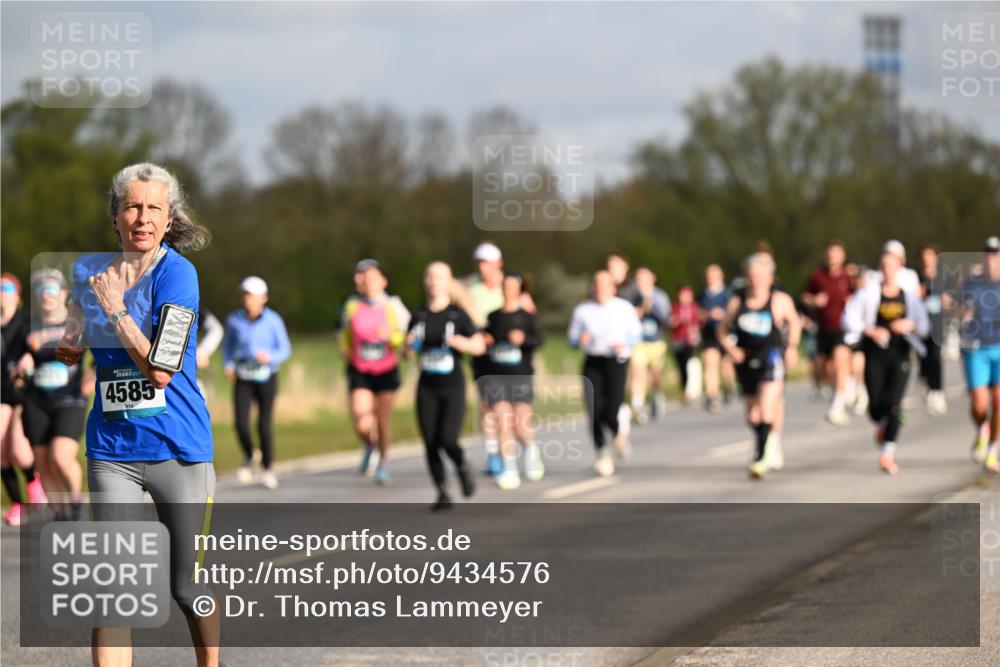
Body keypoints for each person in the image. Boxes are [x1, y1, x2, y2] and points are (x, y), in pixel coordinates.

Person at [55, 162, 219, 666]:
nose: (142, 217)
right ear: (115, 216)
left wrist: (116, 309)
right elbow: (74, 340)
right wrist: (70, 337)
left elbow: (161, 371)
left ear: (169, 220)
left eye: (154, 208)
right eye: (132, 205)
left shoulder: (179, 274)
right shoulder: (89, 271)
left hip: (178, 447)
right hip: (112, 450)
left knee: (186, 586)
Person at [842, 241, 930, 475]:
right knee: (876, 408)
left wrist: (908, 324)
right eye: (884, 265)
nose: (888, 269)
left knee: (894, 405)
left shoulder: (909, 298)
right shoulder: (868, 293)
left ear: (900, 267)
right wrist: (869, 330)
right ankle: (882, 425)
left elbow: (924, 325)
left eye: (892, 265)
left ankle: (887, 454)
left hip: (900, 354)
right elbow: (849, 319)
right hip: (875, 354)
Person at [17, 269, 94, 520]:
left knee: (60, 456)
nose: (46, 295)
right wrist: (21, 361)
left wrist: (92, 373)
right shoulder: (28, 326)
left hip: (70, 399)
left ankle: (74, 500)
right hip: (36, 400)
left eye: (51, 290)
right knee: (41, 460)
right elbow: (13, 357)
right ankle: (58, 512)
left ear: (64, 294)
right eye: (41, 290)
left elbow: (107, 348)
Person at [408, 262, 484, 510]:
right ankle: (442, 491)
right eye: (429, 276)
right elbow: (406, 352)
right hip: (427, 385)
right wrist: (407, 347)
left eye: (439, 276)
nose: (433, 281)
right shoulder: (418, 316)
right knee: (430, 440)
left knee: (448, 439)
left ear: (448, 281)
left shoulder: (457, 315)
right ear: (424, 281)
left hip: (452, 384)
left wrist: (466, 343)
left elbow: (480, 345)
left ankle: (462, 465)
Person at [717, 253, 801, 479]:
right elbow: (722, 330)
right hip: (745, 360)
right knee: (752, 415)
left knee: (766, 408)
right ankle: (766, 442)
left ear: (770, 278)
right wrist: (731, 349)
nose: (755, 281)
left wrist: (792, 347)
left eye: (760, 276)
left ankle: (761, 456)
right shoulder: (738, 301)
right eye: (751, 276)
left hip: (771, 356)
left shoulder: (779, 300)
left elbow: (794, 322)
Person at [339, 259, 410, 485]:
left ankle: (383, 463)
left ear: (383, 281)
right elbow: (344, 332)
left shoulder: (393, 306)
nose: (369, 283)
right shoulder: (351, 305)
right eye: (365, 279)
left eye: (373, 279)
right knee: (362, 419)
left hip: (386, 369)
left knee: (382, 422)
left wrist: (389, 337)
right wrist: (345, 348)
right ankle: (369, 444)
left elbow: (406, 338)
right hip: (360, 368)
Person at [568, 270, 642, 477]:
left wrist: (625, 344)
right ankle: (602, 452)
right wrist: (579, 340)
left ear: (613, 287)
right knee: (593, 410)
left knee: (611, 410)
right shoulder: (583, 310)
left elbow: (636, 334)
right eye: (597, 283)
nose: (600, 287)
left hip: (616, 360)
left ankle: (618, 434)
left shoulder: (623, 308)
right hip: (593, 361)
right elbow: (572, 338)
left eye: (604, 284)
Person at [223, 276, 291, 490]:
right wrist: (229, 364)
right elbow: (228, 347)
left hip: (266, 376)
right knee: (240, 423)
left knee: (263, 425)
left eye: (252, 295)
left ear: (264, 298)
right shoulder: (234, 320)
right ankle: (251, 454)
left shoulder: (274, 320)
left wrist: (269, 357)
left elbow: (285, 349)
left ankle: (268, 468)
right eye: (245, 295)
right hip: (243, 375)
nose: (248, 300)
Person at [481, 273, 544, 490]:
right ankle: (510, 469)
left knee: (520, 425)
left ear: (519, 290)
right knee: (502, 421)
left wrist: (523, 340)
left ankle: (531, 449)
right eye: (505, 286)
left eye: (512, 286)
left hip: (520, 375)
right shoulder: (494, 316)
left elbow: (539, 340)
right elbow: (484, 340)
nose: (508, 289)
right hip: (497, 376)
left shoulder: (527, 317)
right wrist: (486, 339)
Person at [1, 272, 45, 526]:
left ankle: (33, 482)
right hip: (2, 393)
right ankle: (18, 503)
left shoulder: (26, 323)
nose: (1, 293)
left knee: (18, 449)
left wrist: (29, 357)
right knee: (1, 453)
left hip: (25, 393)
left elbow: (37, 349)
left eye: (6, 288)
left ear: (17, 297)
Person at [802, 241, 855, 426]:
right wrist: (814, 301)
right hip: (823, 328)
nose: (832, 257)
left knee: (841, 359)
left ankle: (837, 405)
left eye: (836, 253)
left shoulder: (849, 276)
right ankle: (839, 391)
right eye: (830, 253)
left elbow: (861, 294)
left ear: (843, 256)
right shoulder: (817, 276)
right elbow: (804, 296)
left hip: (844, 328)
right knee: (827, 369)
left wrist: (852, 299)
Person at [960, 236, 1000, 471]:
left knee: (999, 401)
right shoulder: (971, 282)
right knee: (979, 405)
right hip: (976, 348)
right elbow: (959, 308)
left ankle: (993, 450)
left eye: (996, 254)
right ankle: (981, 430)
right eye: (988, 253)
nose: (991, 259)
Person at [628, 266, 671, 423]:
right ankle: (637, 405)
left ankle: (657, 395)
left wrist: (651, 306)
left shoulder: (659, 296)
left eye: (645, 279)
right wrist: (640, 309)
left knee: (655, 376)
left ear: (653, 279)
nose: (641, 283)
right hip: (638, 342)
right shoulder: (631, 296)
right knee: (637, 372)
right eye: (639, 279)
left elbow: (666, 318)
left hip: (656, 341)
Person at [698, 264, 734, 413]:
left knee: (726, 365)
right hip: (709, 332)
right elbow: (697, 311)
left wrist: (723, 315)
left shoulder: (727, 293)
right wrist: (706, 314)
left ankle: (729, 387)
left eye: (713, 275)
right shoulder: (702, 294)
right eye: (708, 276)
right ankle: (712, 395)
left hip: (725, 332)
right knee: (710, 363)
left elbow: (734, 310)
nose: (710, 279)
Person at [918, 245, 948, 416]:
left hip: (937, 323)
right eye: (924, 256)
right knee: (924, 358)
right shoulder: (917, 277)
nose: (927, 260)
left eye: (930, 256)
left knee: (936, 356)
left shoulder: (943, 278)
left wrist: (947, 300)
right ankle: (927, 385)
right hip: (921, 324)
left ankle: (938, 392)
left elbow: (952, 298)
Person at [670, 285, 701, 403]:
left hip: (690, 340)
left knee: (689, 364)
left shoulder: (694, 308)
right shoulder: (675, 308)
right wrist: (674, 321)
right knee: (681, 365)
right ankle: (683, 389)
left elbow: (698, 322)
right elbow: (670, 323)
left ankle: (690, 389)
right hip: (678, 340)